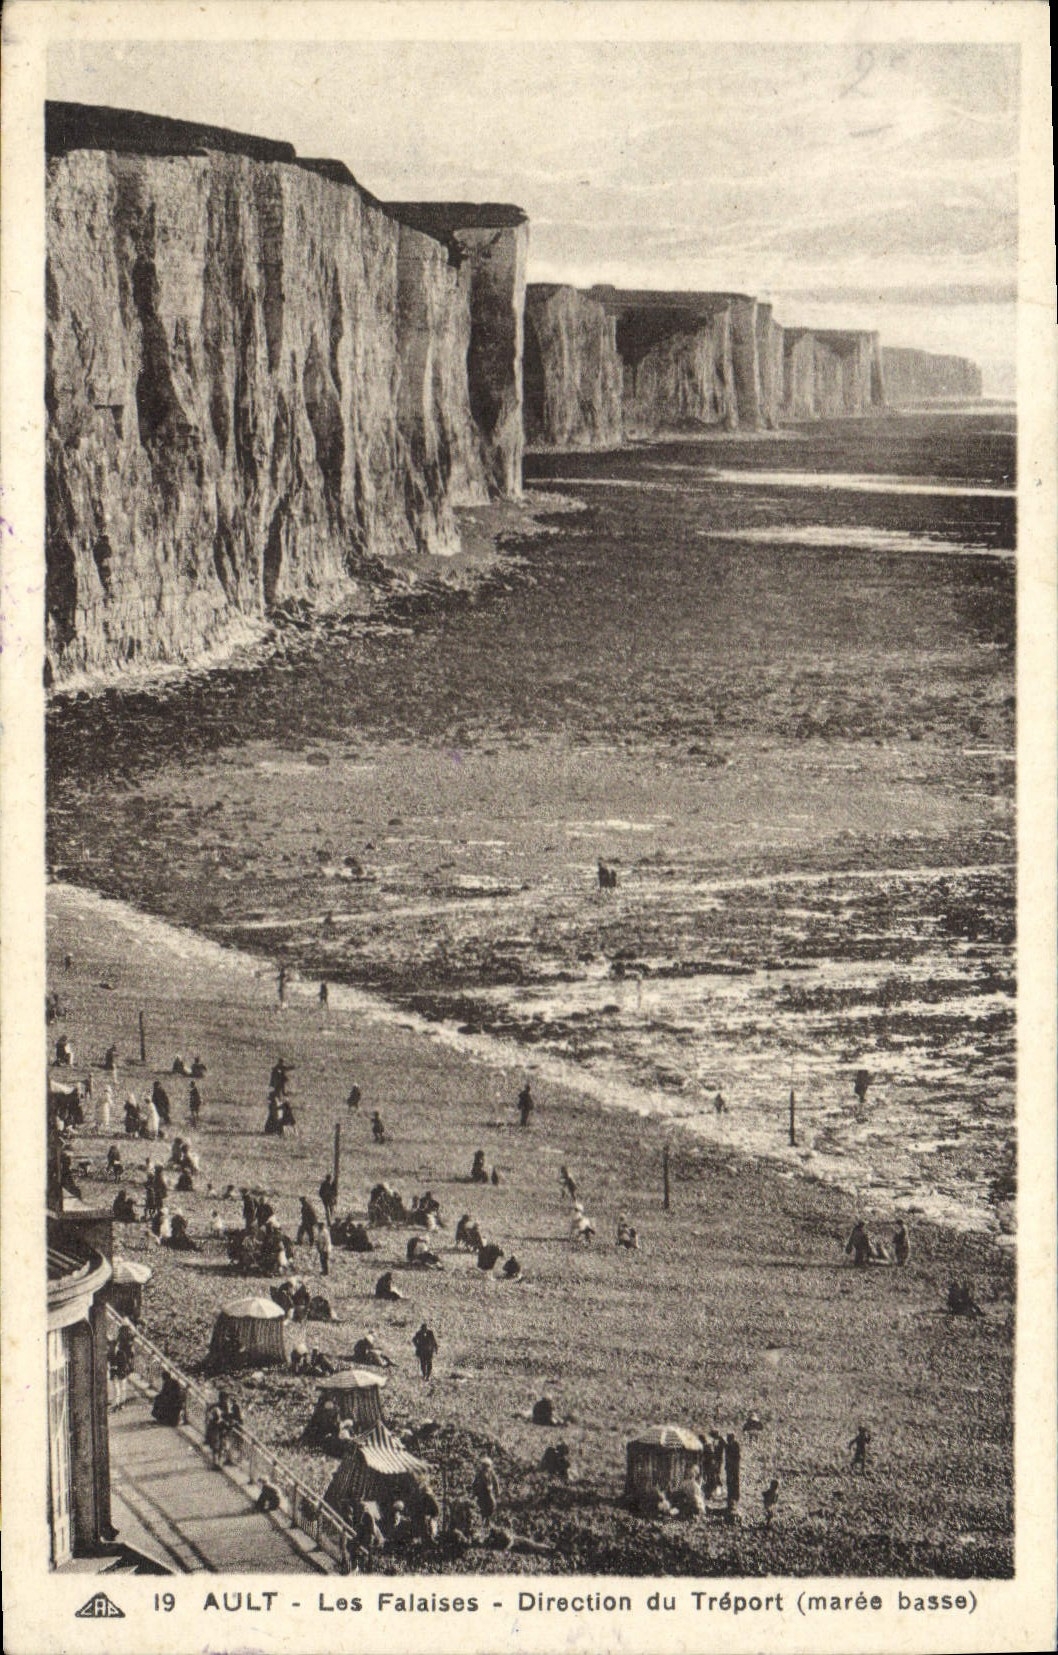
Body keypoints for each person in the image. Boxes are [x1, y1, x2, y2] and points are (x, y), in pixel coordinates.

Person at [471, 1457, 500, 1524]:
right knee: (481, 1506)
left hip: (488, 1491)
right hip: (481, 1492)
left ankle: (487, 1520)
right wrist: (474, 1491)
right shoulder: (480, 1473)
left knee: (492, 1504)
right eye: (484, 1466)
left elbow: (495, 1482)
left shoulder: (491, 1473)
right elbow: (474, 1482)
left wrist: (497, 1491)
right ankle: (482, 1520)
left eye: (487, 1466)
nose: (485, 1468)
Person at [724, 1433, 741, 1521]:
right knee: (729, 1482)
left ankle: (735, 1495)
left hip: (734, 1467)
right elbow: (726, 1457)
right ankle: (731, 1495)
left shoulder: (735, 1445)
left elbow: (737, 1457)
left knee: (735, 1482)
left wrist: (732, 1463)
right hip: (730, 1468)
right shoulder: (727, 1446)